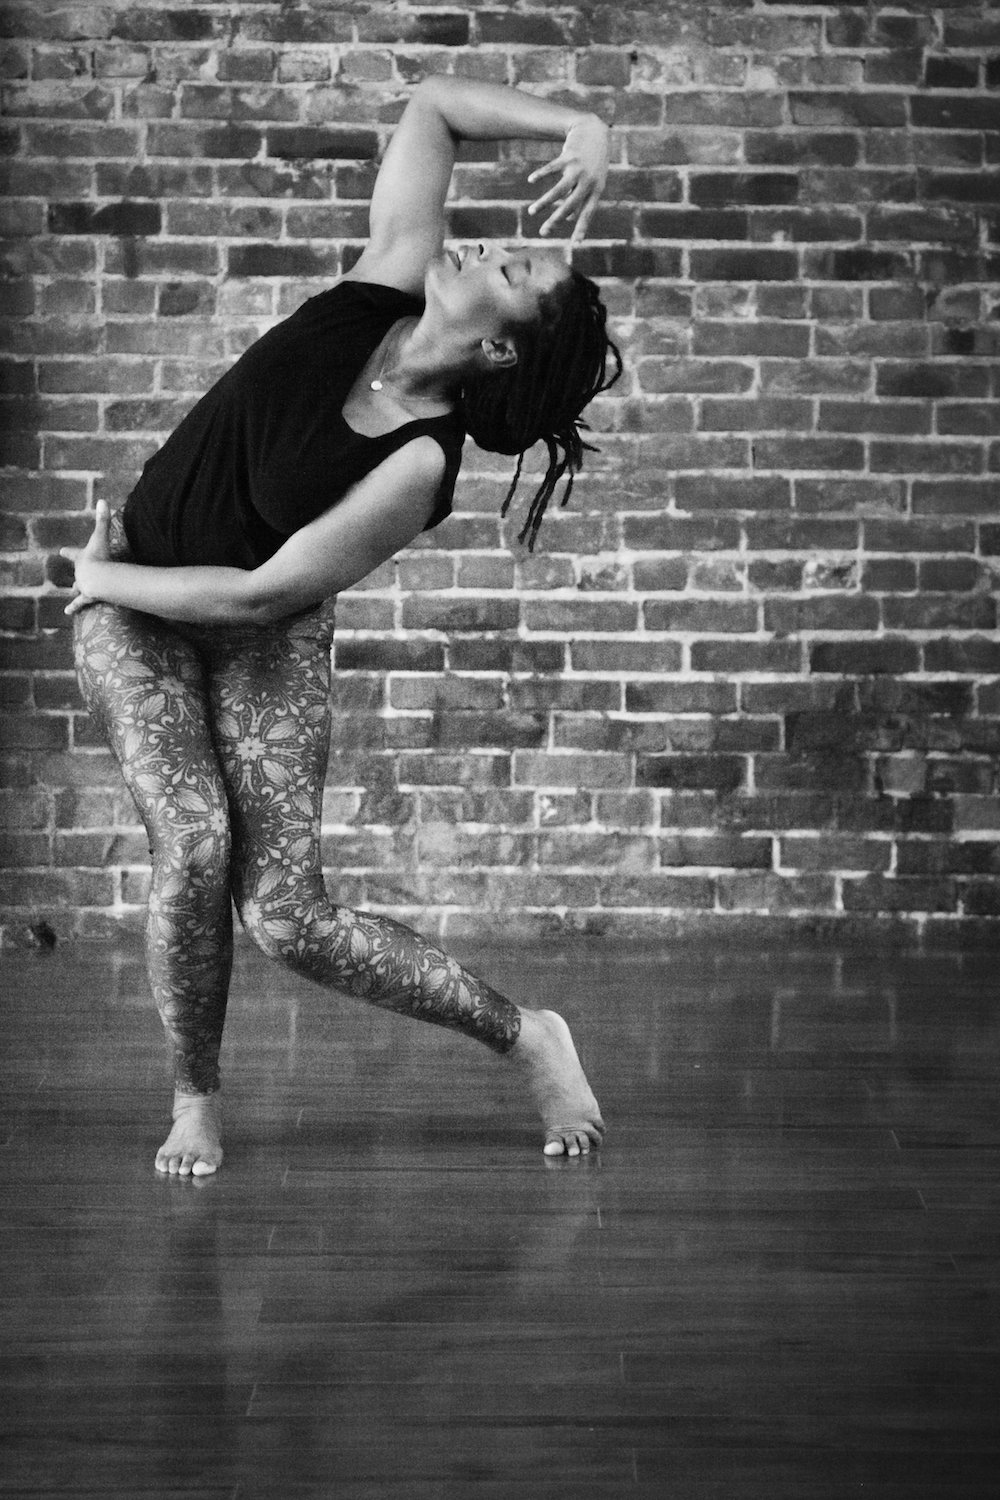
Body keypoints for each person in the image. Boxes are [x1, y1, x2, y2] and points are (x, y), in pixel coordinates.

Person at [62, 75, 622, 1177]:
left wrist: (93, 576)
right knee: (194, 844)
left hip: (244, 621)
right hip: (138, 606)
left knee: (285, 917)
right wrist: (578, 125)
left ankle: (528, 1036)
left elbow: (263, 595)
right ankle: (195, 1099)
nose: (485, 248)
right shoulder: (385, 282)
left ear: (500, 350)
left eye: (513, 270)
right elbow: (430, 110)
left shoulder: (418, 465)